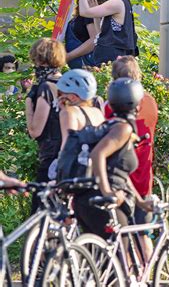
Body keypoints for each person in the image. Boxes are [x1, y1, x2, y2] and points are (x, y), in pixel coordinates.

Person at [73, 78, 153, 239]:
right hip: (104, 201)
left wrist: (140, 202)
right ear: (137, 105)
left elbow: (119, 172)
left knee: (101, 260)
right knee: (121, 255)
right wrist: (107, 192)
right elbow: (98, 155)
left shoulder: (111, 126)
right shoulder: (122, 129)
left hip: (87, 199)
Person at [104, 56, 158, 259]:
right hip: (144, 178)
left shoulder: (111, 107)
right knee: (143, 234)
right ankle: (149, 276)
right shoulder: (150, 102)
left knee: (123, 237)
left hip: (120, 178)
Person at [25, 38, 65, 211]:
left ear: (40, 60)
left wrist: (28, 101)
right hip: (69, 157)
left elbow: (35, 130)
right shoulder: (68, 84)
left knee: (40, 217)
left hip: (50, 158)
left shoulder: (46, 88)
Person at [70, 0, 137, 67]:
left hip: (112, 59)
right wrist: (96, 16)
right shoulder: (120, 2)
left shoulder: (117, 3)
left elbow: (83, 11)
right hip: (109, 58)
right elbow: (100, 34)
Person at [65, 0, 104, 69]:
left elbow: (94, 40)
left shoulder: (90, 9)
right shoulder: (95, 9)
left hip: (86, 65)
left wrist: (68, 56)